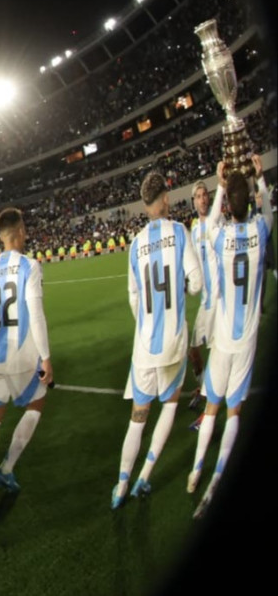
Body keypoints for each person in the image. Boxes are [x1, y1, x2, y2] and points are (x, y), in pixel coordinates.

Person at [110, 172, 202, 509]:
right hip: (174, 340)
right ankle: (144, 476)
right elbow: (196, 283)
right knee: (170, 404)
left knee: (138, 415)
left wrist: (147, 322)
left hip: (144, 344)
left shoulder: (135, 244)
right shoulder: (179, 232)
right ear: (164, 199)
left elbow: (133, 297)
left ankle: (120, 486)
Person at [188, 157, 271, 519]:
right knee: (234, 410)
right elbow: (267, 209)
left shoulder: (218, 236)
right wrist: (259, 180)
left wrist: (221, 183)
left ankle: (195, 468)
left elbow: (209, 227)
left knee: (212, 407)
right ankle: (217, 477)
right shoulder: (262, 231)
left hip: (220, 338)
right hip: (246, 339)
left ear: (225, 205)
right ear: (248, 201)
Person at [0, 208, 52, 494]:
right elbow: (36, 314)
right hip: (24, 355)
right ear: (18, 232)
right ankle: (6, 469)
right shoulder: (29, 265)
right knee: (35, 406)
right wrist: (46, 357)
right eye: (25, 229)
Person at [187, 179, 220, 429]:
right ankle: (203, 385)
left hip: (218, 301)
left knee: (215, 353)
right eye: (198, 195)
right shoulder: (195, 229)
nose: (203, 198)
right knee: (193, 349)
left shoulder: (216, 223)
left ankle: (208, 411)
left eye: (205, 194)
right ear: (193, 201)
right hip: (205, 301)